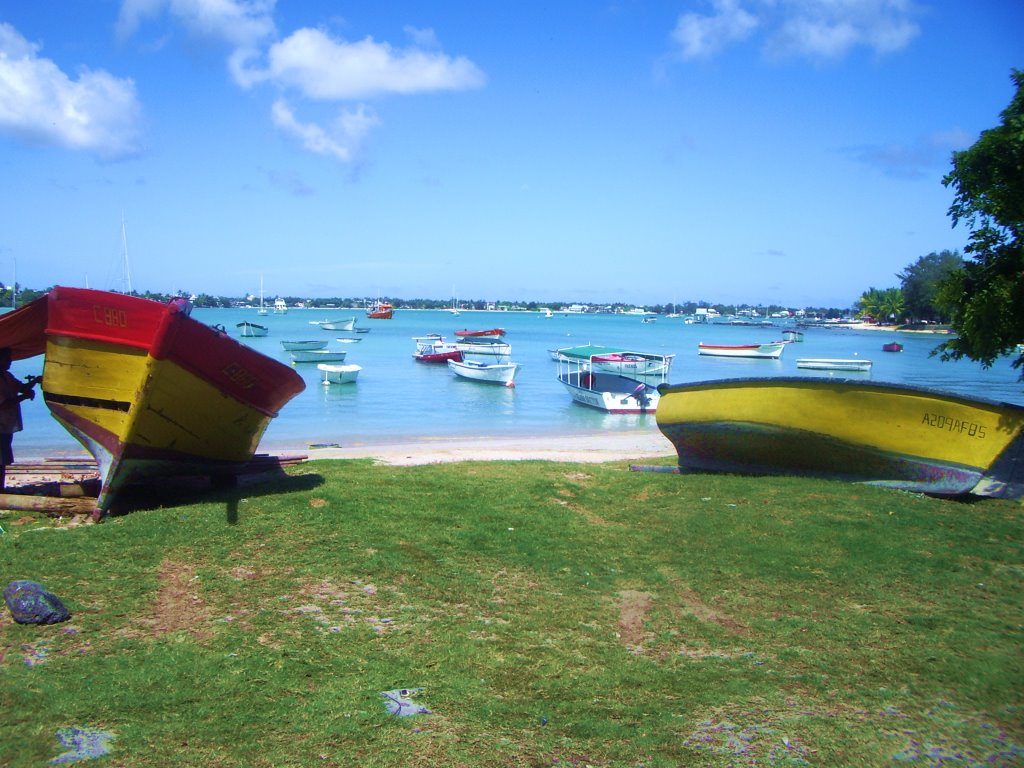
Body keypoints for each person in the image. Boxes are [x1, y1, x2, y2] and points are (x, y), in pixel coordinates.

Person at [0, 347, 38, 490]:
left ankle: (1, 489)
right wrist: (24, 397)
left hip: (6, 426)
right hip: (1, 424)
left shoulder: (7, 376)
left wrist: (34, 381)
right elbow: (4, 405)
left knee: (3, 459)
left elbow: (21, 387)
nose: (10, 362)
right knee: (1, 458)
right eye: (6, 359)